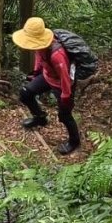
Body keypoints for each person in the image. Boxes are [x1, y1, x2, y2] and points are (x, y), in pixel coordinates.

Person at [13, 17, 81, 155]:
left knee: (65, 114)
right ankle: (40, 118)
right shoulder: (40, 45)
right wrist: (36, 72)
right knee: (26, 93)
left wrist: (66, 96)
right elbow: (39, 56)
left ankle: (74, 141)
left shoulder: (57, 55)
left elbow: (65, 77)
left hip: (62, 83)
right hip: (47, 75)